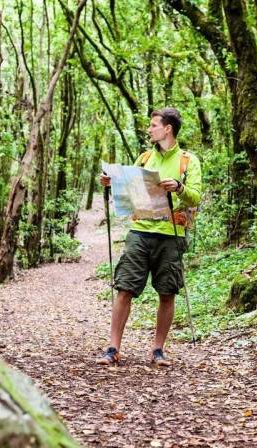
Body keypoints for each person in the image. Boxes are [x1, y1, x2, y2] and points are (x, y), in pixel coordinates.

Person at [97, 107, 202, 366]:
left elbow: (196, 197)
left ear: (168, 129)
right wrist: (112, 183)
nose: (149, 129)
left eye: (154, 125)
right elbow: (130, 188)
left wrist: (179, 187)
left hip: (171, 234)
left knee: (167, 292)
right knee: (125, 288)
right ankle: (112, 349)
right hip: (140, 231)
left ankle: (158, 351)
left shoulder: (188, 161)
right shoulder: (144, 158)